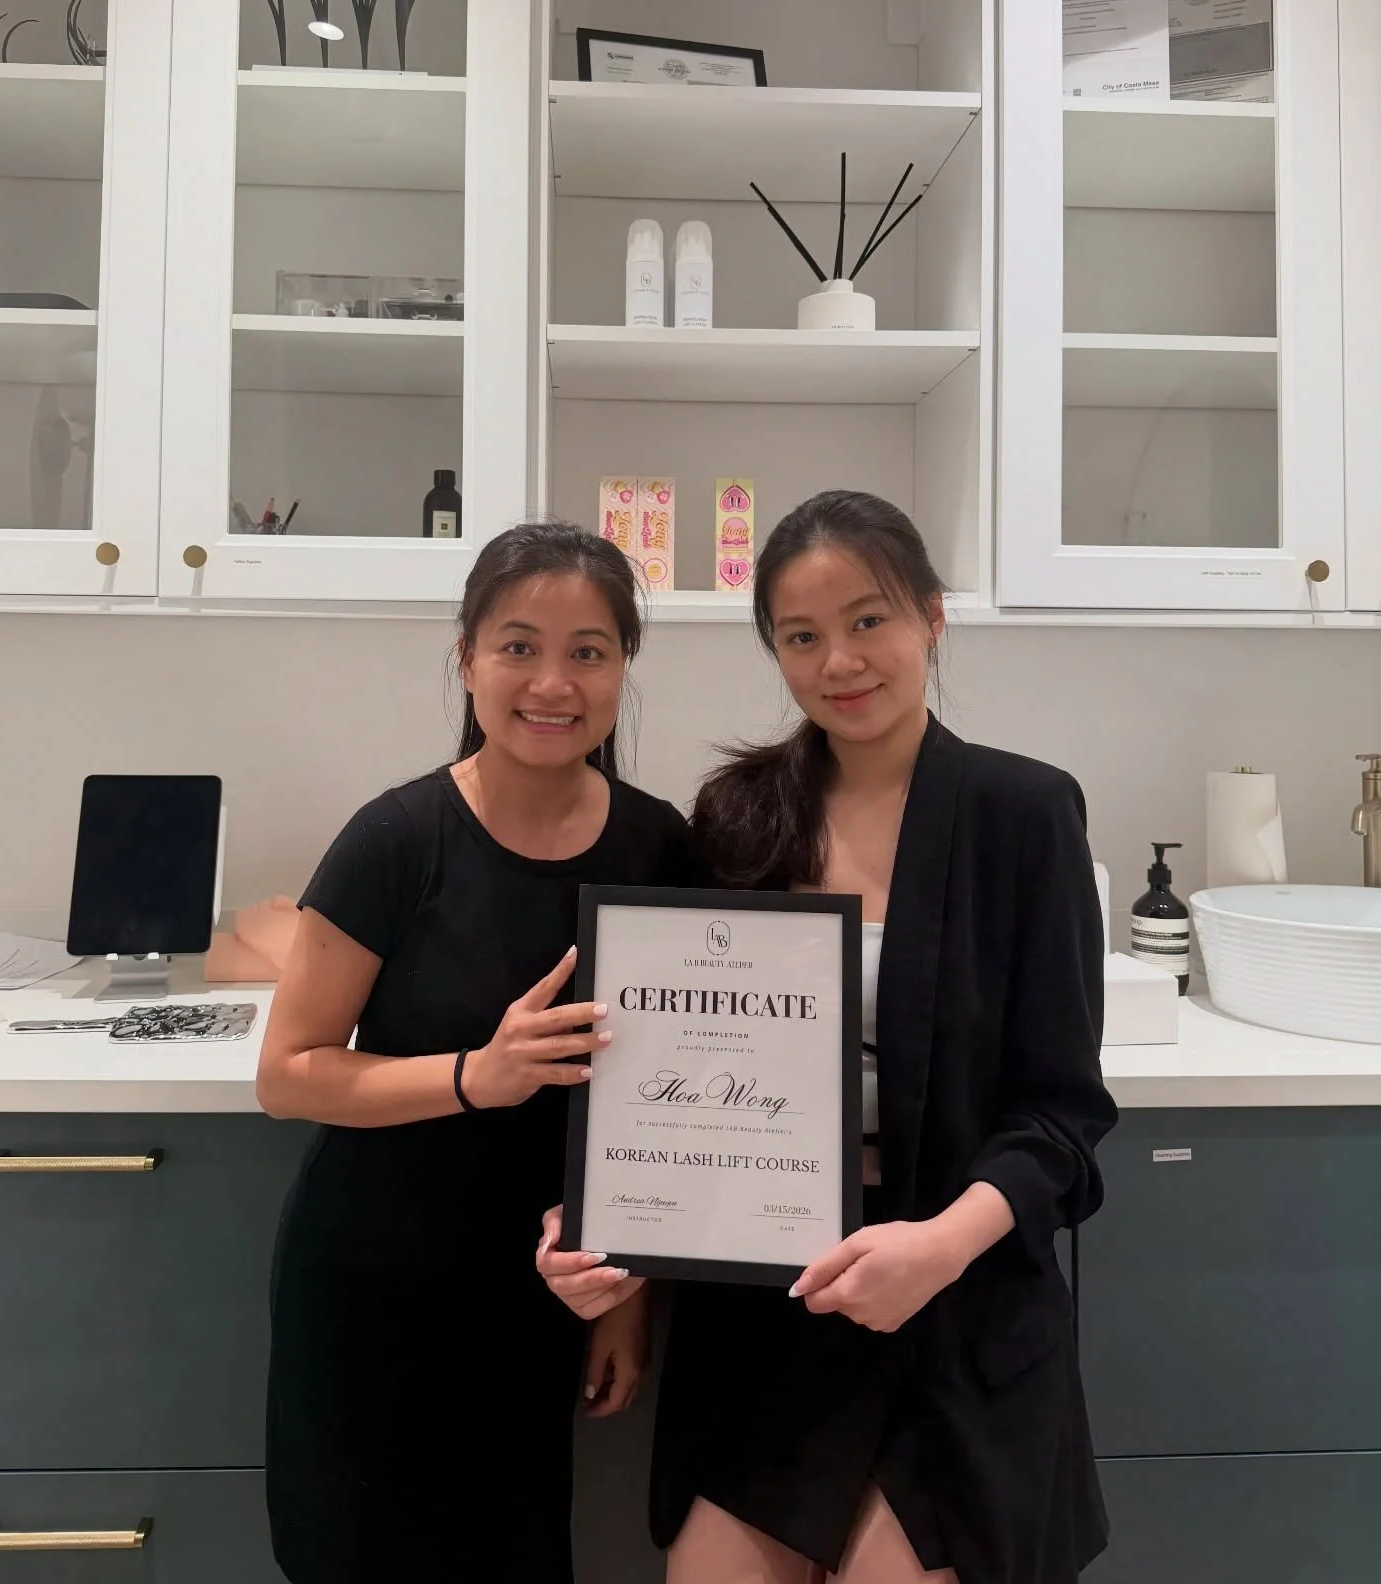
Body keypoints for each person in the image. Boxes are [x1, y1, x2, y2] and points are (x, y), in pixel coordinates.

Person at [539, 489, 1117, 1584]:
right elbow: (665, 1063)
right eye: (802, 636)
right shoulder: (739, 815)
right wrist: (612, 1222)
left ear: (931, 617)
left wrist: (938, 1247)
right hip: (767, 1298)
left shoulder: (1024, 813)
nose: (839, 662)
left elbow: (1061, 1115)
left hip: (953, 1302)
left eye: (868, 620)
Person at [259, 521, 691, 1584]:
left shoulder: (660, 848)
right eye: (518, 647)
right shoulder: (397, 839)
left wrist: (628, 1299)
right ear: (466, 658)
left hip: (543, 1296)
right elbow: (289, 1072)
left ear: (624, 667)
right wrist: (474, 1076)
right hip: (376, 1286)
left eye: (588, 651)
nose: (552, 682)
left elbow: (660, 1105)